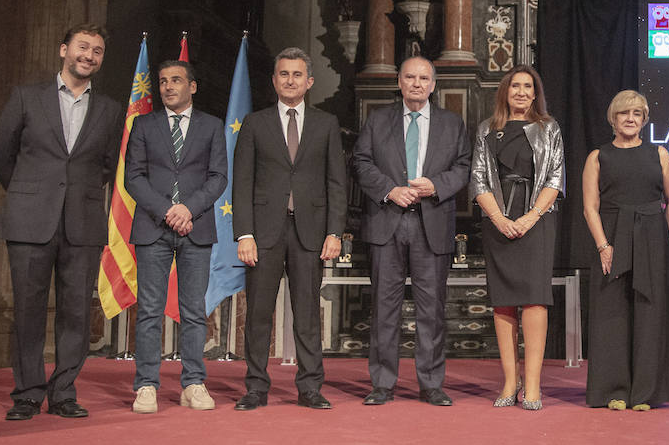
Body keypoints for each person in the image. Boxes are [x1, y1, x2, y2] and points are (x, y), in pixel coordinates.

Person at [0, 24, 123, 420]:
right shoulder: (26, 97)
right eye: (83, 47)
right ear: (64, 50)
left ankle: (63, 391)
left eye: (97, 51)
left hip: (81, 223)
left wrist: (72, 193)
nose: (89, 55)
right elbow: (1, 153)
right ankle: (28, 393)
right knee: (28, 310)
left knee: (77, 312)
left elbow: (107, 164)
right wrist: (30, 192)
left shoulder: (110, 109)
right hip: (30, 221)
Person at [231, 48, 346, 411]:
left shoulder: (326, 124)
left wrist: (335, 232)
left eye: (297, 75)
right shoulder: (255, 123)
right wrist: (244, 233)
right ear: (274, 80)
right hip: (263, 233)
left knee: (308, 313)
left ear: (309, 82)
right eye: (284, 74)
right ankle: (255, 387)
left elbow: (336, 183)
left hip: (310, 232)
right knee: (258, 314)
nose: (290, 80)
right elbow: (242, 181)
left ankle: (310, 387)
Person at [353, 55, 471, 406]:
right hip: (386, 220)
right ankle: (383, 383)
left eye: (423, 78)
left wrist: (435, 185)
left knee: (431, 309)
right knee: (383, 308)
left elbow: (464, 166)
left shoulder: (452, 123)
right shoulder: (378, 120)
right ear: (399, 82)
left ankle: (431, 383)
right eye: (410, 77)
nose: (417, 83)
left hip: (431, 222)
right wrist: (390, 189)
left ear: (433, 85)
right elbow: (360, 161)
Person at [123, 60, 228, 413]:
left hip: (195, 228)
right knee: (150, 310)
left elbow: (218, 177)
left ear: (192, 87)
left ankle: (194, 382)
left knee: (194, 311)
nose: (168, 87)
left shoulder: (212, 126)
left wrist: (188, 210)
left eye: (176, 80)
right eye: (164, 81)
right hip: (153, 228)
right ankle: (147, 385)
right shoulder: (143, 125)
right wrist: (168, 210)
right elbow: (133, 177)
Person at [470, 65, 564, 410]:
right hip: (498, 221)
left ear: (536, 93)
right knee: (504, 300)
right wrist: (498, 218)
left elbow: (555, 177)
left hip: (537, 220)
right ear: (505, 92)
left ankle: (534, 385)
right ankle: (511, 381)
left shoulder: (548, 127)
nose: (522, 92)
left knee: (535, 299)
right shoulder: (486, 130)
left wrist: (529, 218)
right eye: (515, 86)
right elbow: (478, 179)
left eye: (528, 86)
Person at [581, 90, 669, 411]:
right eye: (624, 113)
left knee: (649, 314)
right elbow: (589, 207)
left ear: (644, 119)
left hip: (651, 237)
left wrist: (665, 240)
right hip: (611, 236)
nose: (631, 119)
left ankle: (645, 393)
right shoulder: (598, 156)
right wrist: (603, 246)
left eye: (637, 114)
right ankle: (614, 391)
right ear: (614, 118)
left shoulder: (660, 154)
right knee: (612, 314)